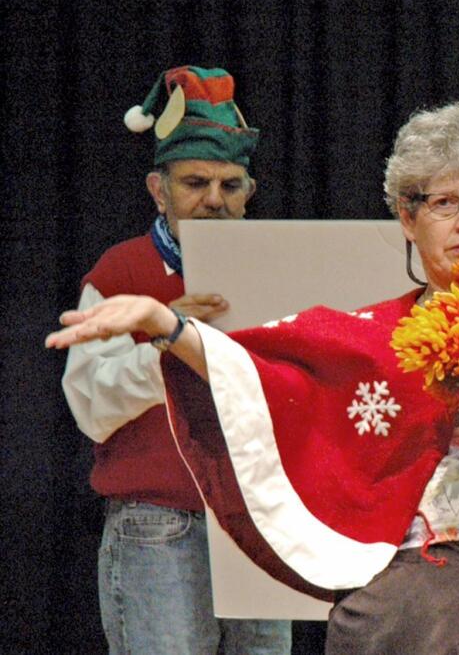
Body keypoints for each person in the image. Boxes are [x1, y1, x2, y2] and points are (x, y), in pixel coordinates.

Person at [49, 100, 459, 654]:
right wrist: (168, 327)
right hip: (418, 577)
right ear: (407, 216)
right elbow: (262, 376)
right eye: (446, 201)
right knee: (434, 618)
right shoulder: (367, 334)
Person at [59, 65, 291, 654]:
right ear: (159, 190)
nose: (214, 199)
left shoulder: (281, 268)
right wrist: (171, 340)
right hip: (160, 523)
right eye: (195, 183)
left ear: (250, 193)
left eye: (229, 185)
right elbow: (91, 404)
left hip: (260, 522)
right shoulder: (120, 271)